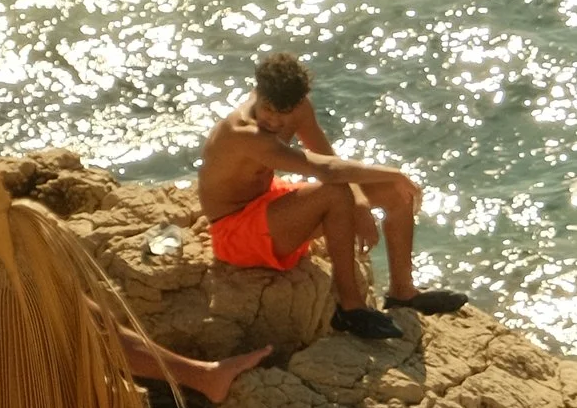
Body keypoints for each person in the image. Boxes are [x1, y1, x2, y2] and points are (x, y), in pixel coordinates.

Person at [0, 67, 276, 408]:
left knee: (100, 322)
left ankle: (205, 377)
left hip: (2, 269)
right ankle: (205, 378)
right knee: (91, 333)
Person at [196, 50, 465, 334]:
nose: (273, 121)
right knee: (336, 194)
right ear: (258, 93)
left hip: (268, 204)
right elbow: (327, 171)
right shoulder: (243, 132)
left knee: (395, 194)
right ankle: (350, 309)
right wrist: (395, 173)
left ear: (298, 103)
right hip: (235, 232)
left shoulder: (298, 108)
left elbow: (325, 154)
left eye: (283, 113)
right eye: (268, 109)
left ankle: (403, 291)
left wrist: (361, 201)